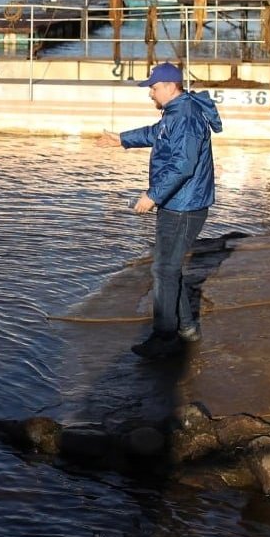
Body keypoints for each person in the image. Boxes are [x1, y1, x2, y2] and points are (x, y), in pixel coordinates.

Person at [96, 61, 222, 360]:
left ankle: (165, 337)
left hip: (183, 206)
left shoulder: (187, 116)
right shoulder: (176, 112)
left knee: (164, 269)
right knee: (169, 268)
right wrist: (122, 139)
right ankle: (187, 328)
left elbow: (183, 165)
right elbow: (158, 134)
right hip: (179, 203)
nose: (150, 94)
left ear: (169, 86)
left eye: (153, 88)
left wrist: (152, 196)